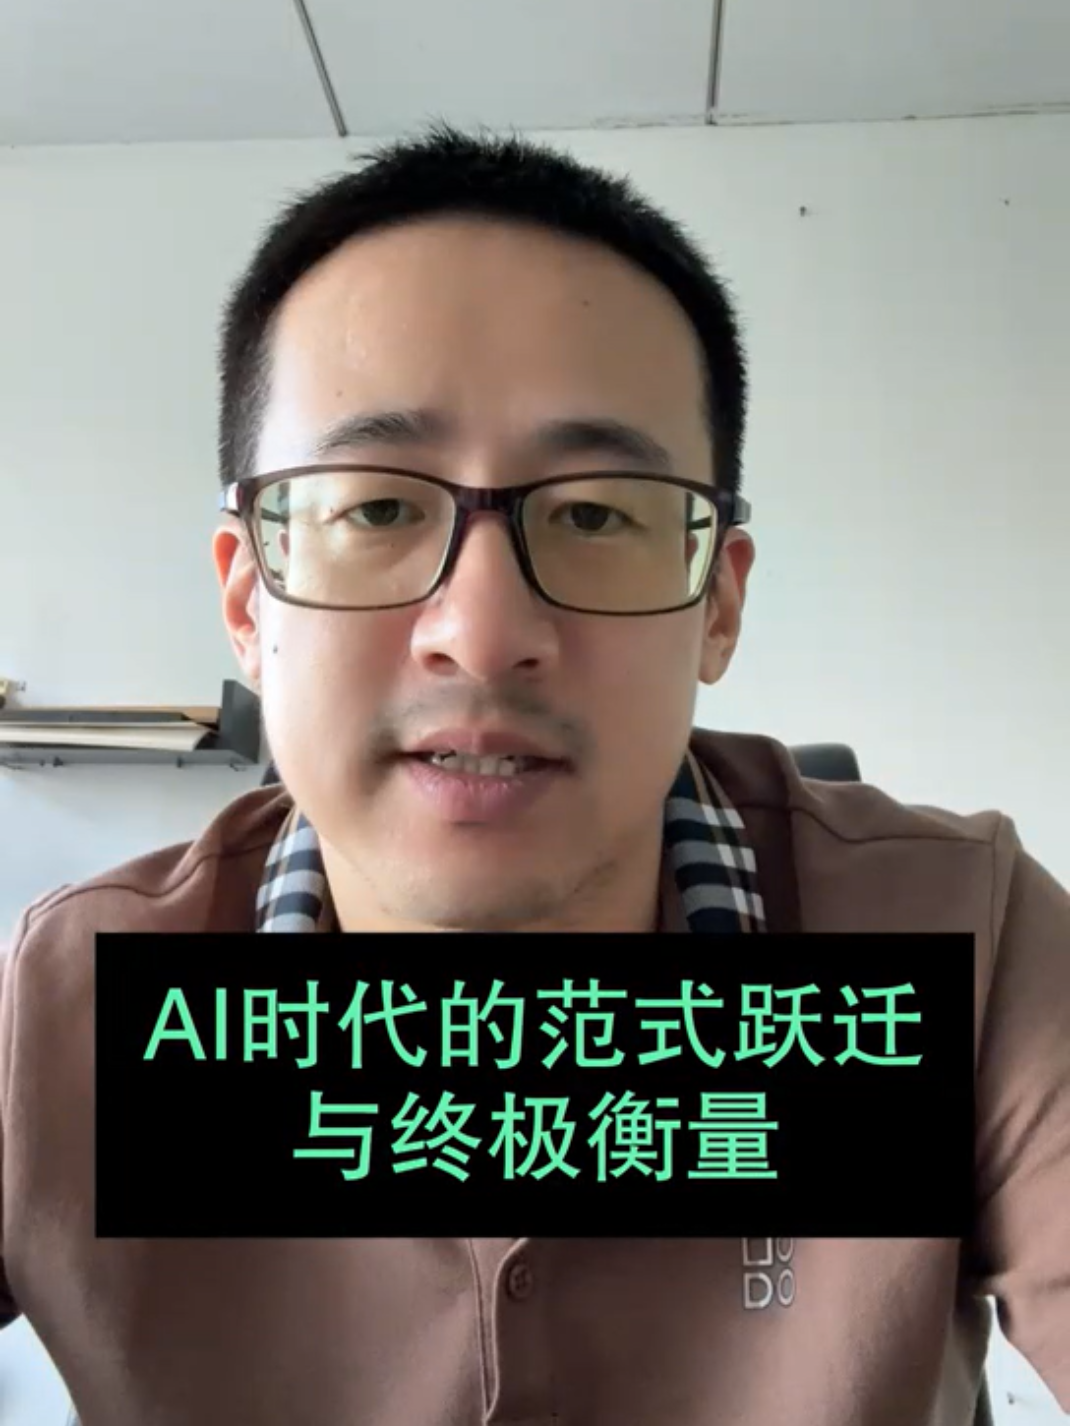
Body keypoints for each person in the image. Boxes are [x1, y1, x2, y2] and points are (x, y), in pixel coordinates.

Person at [1, 125, 1067, 1426]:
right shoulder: (62, 1011)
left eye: (597, 511)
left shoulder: (965, 945)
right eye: (375, 507)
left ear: (718, 603)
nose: (483, 628)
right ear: (246, 597)